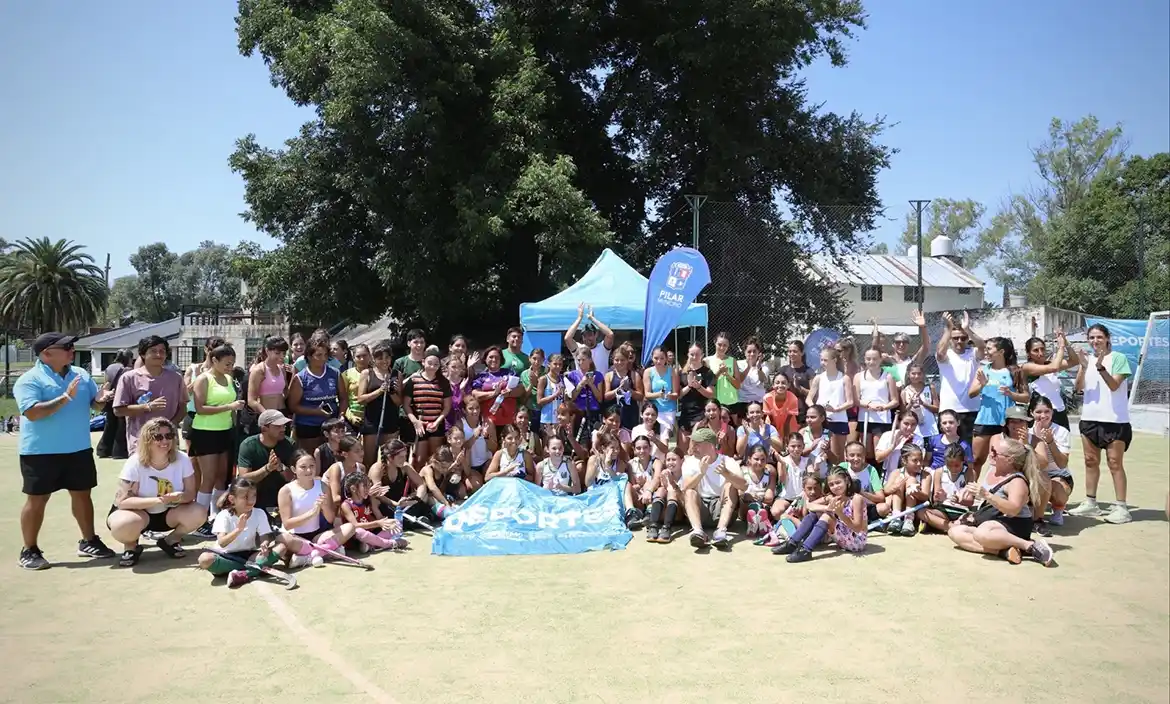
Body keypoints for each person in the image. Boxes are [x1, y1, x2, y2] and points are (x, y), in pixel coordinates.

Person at [15, 333, 119, 569]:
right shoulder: (29, 380)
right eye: (66, 347)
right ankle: (29, 550)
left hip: (78, 449)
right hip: (40, 452)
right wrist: (64, 398)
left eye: (72, 346)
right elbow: (32, 412)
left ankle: (89, 541)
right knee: (37, 499)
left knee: (82, 495)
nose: (72, 350)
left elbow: (95, 404)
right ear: (46, 353)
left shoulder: (80, 374)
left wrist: (102, 399)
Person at [106, 418, 208, 566]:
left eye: (169, 436)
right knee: (123, 524)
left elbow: (190, 493)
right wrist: (159, 500)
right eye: (158, 437)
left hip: (169, 512)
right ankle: (131, 547)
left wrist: (179, 498)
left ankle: (170, 541)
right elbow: (122, 502)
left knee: (199, 512)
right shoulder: (135, 462)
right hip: (137, 513)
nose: (165, 441)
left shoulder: (182, 459)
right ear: (147, 440)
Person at [946, 437, 1054, 566]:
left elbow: (1013, 510)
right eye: (991, 450)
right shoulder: (992, 471)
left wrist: (987, 495)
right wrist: (966, 493)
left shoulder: (1017, 481)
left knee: (981, 533)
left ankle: (1029, 545)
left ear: (1009, 459)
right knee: (954, 531)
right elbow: (987, 499)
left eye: (995, 452)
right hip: (993, 521)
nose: (991, 454)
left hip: (1015, 523)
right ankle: (1003, 551)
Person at [1069, 323, 1134, 524]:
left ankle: (1122, 508)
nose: (1095, 341)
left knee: (1114, 463)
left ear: (1107, 338)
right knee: (1090, 461)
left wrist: (1100, 367)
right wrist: (1083, 367)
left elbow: (1114, 385)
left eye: (1099, 337)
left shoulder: (1119, 358)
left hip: (1115, 421)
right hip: (1089, 419)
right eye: (1091, 337)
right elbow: (1078, 388)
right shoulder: (1087, 360)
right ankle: (1091, 503)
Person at [197, 477, 293, 588]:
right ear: (232, 499)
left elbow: (264, 535)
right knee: (204, 559)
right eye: (245, 497)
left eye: (254, 496)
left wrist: (264, 544)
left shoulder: (259, 513)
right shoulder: (223, 516)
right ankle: (254, 569)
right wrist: (238, 529)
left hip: (249, 556)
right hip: (226, 556)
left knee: (281, 547)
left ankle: (245, 574)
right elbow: (222, 543)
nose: (251, 501)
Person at [190, 345, 245, 533]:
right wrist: (230, 407)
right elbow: (200, 408)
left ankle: (217, 516)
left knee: (222, 476)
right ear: (214, 360)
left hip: (225, 431)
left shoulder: (229, 378)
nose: (230, 367)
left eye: (232, 364)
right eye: (227, 363)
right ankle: (198, 520)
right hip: (205, 432)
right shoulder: (203, 379)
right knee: (209, 477)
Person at [771, 467, 869, 562]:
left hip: (856, 542)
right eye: (831, 484)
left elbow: (857, 528)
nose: (835, 487)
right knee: (816, 513)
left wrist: (839, 513)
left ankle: (806, 550)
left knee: (826, 516)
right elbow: (810, 506)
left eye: (838, 482)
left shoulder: (856, 499)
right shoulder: (832, 497)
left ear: (846, 480)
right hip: (843, 538)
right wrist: (828, 508)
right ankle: (792, 543)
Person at [278, 450, 357, 568]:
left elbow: (330, 519)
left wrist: (324, 506)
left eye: (312, 466)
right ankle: (327, 551)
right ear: (294, 469)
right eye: (303, 467)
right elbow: (287, 524)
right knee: (283, 538)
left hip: (316, 537)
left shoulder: (322, 486)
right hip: (296, 538)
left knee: (350, 527)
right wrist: (312, 513)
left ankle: (309, 556)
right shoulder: (286, 491)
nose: (308, 470)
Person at [113, 336, 187, 456]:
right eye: (153, 351)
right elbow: (118, 410)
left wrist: (170, 425)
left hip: (168, 441)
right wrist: (147, 407)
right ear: (142, 354)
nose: (158, 354)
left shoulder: (176, 378)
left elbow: (183, 407)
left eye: (162, 351)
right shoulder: (129, 378)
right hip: (140, 441)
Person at [968, 337, 1030, 479]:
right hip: (985, 420)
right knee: (976, 460)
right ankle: (970, 490)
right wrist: (982, 385)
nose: (986, 352)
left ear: (1001, 352)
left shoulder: (1015, 371)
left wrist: (1011, 394)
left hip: (1006, 422)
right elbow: (971, 394)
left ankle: (1004, 488)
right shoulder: (983, 370)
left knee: (1006, 460)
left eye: (989, 349)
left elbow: (1026, 397)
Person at [681, 427, 748, 549]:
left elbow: (744, 486)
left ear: (710, 446)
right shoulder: (689, 462)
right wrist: (700, 473)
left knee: (730, 485)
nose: (693, 447)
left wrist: (727, 473)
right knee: (690, 492)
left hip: (721, 509)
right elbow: (684, 488)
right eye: (693, 444)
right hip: (700, 509)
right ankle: (698, 531)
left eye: (697, 444)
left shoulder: (728, 461)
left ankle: (721, 531)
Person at [288, 334, 347, 454]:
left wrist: (341, 416)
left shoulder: (335, 373)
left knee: (332, 458)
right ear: (309, 356)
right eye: (319, 355)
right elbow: (293, 406)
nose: (323, 358)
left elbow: (343, 398)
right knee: (311, 458)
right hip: (308, 426)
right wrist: (316, 411)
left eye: (325, 355)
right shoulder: (300, 378)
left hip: (332, 426)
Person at [234, 410, 298, 517]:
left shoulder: (290, 444)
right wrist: (268, 468)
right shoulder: (248, 445)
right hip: (255, 497)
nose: (283, 429)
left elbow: (294, 478)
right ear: (264, 428)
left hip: (281, 497)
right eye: (278, 426)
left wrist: (281, 467)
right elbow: (244, 478)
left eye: (283, 425)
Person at [935, 311, 984, 443]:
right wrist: (948, 329)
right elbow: (939, 353)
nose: (959, 341)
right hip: (949, 410)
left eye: (963, 338)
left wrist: (967, 329)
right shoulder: (947, 355)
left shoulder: (973, 353)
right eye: (955, 338)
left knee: (970, 449)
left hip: (971, 409)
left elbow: (982, 346)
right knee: (948, 448)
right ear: (950, 339)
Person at [402, 349, 453, 468]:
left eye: (436, 364)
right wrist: (415, 422)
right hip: (419, 425)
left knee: (435, 458)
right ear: (423, 362)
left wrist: (437, 422)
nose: (432, 366)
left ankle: (432, 479)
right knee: (419, 460)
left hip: (436, 425)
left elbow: (447, 407)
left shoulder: (444, 382)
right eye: (430, 363)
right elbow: (406, 404)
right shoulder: (414, 380)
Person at [1030, 396, 1073, 527]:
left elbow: (1062, 464)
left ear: (1052, 412)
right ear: (1031, 413)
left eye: (1047, 411)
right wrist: (1036, 440)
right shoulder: (1027, 431)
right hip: (1034, 473)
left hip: (1057, 474)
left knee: (1058, 487)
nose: (1043, 416)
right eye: (1038, 412)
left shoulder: (1061, 431)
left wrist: (1050, 442)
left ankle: (1058, 509)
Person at [356, 341, 400, 466]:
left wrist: (391, 392)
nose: (384, 361)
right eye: (380, 358)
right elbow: (360, 399)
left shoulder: (396, 374)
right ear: (374, 359)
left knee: (389, 459)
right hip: (372, 421)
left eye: (387, 357)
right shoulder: (367, 373)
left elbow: (399, 402)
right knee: (369, 459)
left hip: (390, 421)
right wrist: (380, 391)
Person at [806, 347, 853, 463]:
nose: (822, 363)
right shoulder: (818, 378)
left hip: (839, 420)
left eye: (825, 360)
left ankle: (840, 473)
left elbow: (850, 402)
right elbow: (809, 399)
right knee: (819, 452)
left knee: (838, 455)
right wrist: (816, 411)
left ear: (834, 360)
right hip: (822, 422)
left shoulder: (844, 378)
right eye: (821, 360)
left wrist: (836, 409)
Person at [339, 472, 407, 552]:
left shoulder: (368, 499)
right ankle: (390, 543)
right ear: (353, 488)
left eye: (369, 486)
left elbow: (380, 515)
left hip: (370, 535)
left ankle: (370, 545)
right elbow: (355, 525)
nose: (368, 489)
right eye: (365, 486)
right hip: (356, 538)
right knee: (358, 531)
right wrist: (378, 523)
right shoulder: (346, 505)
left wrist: (387, 523)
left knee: (396, 524)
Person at [854, 347, 899, 460]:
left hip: (882, 419)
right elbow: (856, 400)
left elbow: (895, 400)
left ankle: (879, 471)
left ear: (880, 359)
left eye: (874, 359)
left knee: (879, 453)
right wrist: (868, 405)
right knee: (866, 452)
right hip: (864, 417)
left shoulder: (888, 376)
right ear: (864, 359)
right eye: (868, 359)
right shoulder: (858, 376)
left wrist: (883, 407)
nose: (871, 362)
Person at [919, 443, 974, 533]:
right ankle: (952, 527)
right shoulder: (939, 472)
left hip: (961, 512)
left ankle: (939, 525)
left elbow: (970, 501)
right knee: (921, 512)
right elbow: (936, 499)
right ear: (945, 461)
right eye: (949, 465)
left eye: (957, 465)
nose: (953, 469)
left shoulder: (969, 473)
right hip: (943, 511)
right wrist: (939, 497)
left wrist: (958, 501)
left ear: (963, 460)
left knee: (971, 518)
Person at [874, 445, 928, 536]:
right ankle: (896, 518)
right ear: (904, 460)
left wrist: (916, 492)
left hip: (916, 508)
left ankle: (909, 520)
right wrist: (895, 487)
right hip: (899, 506)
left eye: (921, 460)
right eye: (915, 460)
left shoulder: (925, 475)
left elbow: (925, 497)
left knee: (911, 480)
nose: (919, 463)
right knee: (898, 481)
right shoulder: (896, 472)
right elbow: (886, 490)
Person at [246, 336, 293, 435]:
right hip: (266, 415)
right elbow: (251, 400)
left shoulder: (282, 369)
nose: (282, 356)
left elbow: (285, 390)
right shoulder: (259, 370)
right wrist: (267, 415)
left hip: (282, 413)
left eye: (284, 353)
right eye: (277, 353)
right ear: (267, 351)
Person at [472, 346, 524, 435]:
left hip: (508, 421)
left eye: (497, 357)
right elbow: (475, 395)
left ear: (501, 360)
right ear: (485, 359)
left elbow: (521, 390)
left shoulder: (510, 373)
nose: (494, 359)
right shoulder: (480, 376)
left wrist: (509, 393)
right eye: (491, 357)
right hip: (488, 422)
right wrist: (494, 393)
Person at [870, 310, 929, 386]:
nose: (901, 345)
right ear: (893, 345)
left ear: (908, 345)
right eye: (898, 342)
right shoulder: (886, 359)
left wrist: (923, 327)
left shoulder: (912, 361)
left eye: (904, 342)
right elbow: (874, 349)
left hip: (908, 391)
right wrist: (875, 329)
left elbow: (925, 346)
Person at [677, 344, 715, 456]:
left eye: (697, 354)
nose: (694, 357)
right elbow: (679, 395)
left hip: (701, 415)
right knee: (683, 451)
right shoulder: (682, 373)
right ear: (688, 355)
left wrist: (699, 387)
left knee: (698, 450)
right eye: (692, 354)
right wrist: (689, 386)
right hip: (685, 415)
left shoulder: (707, 372)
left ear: (702, 355)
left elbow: (710, 394)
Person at [96, 348, 133, 459]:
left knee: (110, 425)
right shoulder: (126, 370)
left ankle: (103, 450)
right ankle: (119, 452)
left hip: (109, 398)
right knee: (121, 426)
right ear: (128, 358)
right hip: (120, 398)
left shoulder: (109, 367)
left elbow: (106, 383)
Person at [643, 450, 684, 543]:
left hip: (679, 512)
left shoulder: (686, 475)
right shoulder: (665, 474)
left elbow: (683, 498)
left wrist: (672, 484)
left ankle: (666, 528)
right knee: (661, 490)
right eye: (668, 460)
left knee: (672, 492)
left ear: (682, 460)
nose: (670, 462)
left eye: (674, 459)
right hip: (664, 513)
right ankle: (653, 526)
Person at [564, 303, 614, 375]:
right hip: (582, 382)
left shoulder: (603, 347)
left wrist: (592, 319)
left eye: (590, 335)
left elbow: (610, 334)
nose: (587, 338)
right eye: (584, 335)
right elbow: (567, 338)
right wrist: (579, 318)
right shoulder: (579, 348)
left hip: (600, 382)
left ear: (596, 334)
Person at [874, 410, 924, 480]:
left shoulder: (919, 439)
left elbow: (917, 462)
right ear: (899, 422)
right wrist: (892, 448)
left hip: (910, 478)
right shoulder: (887, 435)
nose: (909, 427)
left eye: (913, 424)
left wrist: (908, 443)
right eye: (906, 424)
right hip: (889, 478)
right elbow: (878, 458)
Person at [705, 332, 743, 422]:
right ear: (714, 342)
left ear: (728, 346)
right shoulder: (707, 361)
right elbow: (707, 383)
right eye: (719, 344)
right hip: (716, 402)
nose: (722, 348)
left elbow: (738, 385)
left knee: (733, 428)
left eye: (725, 345)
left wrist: (727, 375)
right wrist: (719, 372)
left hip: (732, 401)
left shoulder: (732, 361)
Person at [603, 347, 643, 432]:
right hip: (614, 414)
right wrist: (618, 389)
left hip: (630, 413)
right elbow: (606, 396)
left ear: (627, 360)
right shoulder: (609, 375)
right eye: (617, 360)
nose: (619, 362)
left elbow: (640, 397)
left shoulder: (634, 375)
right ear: (613, 360)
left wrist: (629, 390)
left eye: (622, 360)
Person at [899, 363, 938, 447]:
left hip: (930, 429)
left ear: (923, 374)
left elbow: (937, 409)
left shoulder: (930, 388)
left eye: (919, 373)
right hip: (913, 431)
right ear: (908, 374)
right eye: (913, 373)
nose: (916, 376)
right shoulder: (904, 391)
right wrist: (910, 404)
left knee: (930, 453)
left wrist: (923, 403)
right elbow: (902, 413)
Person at [641, 347, 679, 431]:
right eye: (656, 358)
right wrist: (659, 395)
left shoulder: (673, 371)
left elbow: (676, 394)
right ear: (652, 358)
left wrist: (669, 396)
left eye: (662, 358)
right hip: (653, 412)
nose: (659, 361)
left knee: (665, 436)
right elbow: (647, 394)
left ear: (666, 358)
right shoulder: (648, 372)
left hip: (669, 410)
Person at [735, 337, 771, 425]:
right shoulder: (738, 364)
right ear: (744, 352)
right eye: (749, 351)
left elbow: (762, 379)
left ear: (758, 353)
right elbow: (739, 380)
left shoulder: (764, 366)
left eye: (754, 351)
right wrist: (748, 366)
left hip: (759, 402)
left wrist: (758, 368)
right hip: (742, 402)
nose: (752, 354)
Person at [928, 409, 974, 476]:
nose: (948, 426)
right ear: (940, 425)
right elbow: (927, 460)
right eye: (944, 423)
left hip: (955, 476)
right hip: (934, 473)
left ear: (958, 423)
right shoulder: (934, 440)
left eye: (951, 422)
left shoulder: (964, 445)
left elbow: (970, 467)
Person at [778, 340, 813, 426]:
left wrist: (799, 387)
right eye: (789, 351)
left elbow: (813, 394)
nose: (791, 354)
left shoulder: (809, 371)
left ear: (802, 353)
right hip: (786, 410)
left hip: (802, 412)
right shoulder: (783, 370)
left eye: (795, 351)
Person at [340, 343, 371, 434]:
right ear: (353, 358)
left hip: (372, 417)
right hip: (353, 417)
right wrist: (350, 416)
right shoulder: (347, 374)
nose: (362, 359)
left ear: (369, 356)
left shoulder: (376, 372)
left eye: (364, 356)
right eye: (358, 356)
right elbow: (341, 398)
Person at [537, 353, 568, 436]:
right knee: (548, 443)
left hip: (559, 419)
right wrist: (555, 395)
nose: (558, 366)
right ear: (549, 364)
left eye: (560, 364)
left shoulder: (563, 379)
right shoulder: (543, 379)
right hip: (547, 419)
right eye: (555, 364)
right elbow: (539, 401)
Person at [762, 373, 799, 440]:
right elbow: (771, 419)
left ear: (788, 385)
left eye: (783, 383)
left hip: (789, 426)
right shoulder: (767, 398)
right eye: (777, 383)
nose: (780, 385)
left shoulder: (793, 399)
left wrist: (786, 437)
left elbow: (787, 422)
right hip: (773, 424)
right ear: (773, 385)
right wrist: (774, 435)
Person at [519, 347, 546, 421]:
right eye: (534, 358)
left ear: (543, 360)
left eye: (540, 359)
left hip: (545, 409)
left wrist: (538, 383)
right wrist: (532, 384)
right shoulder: (524, 374)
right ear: (529, 358)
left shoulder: (547, 373)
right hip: (530, 408)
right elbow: (524, 396)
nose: (536, 362)